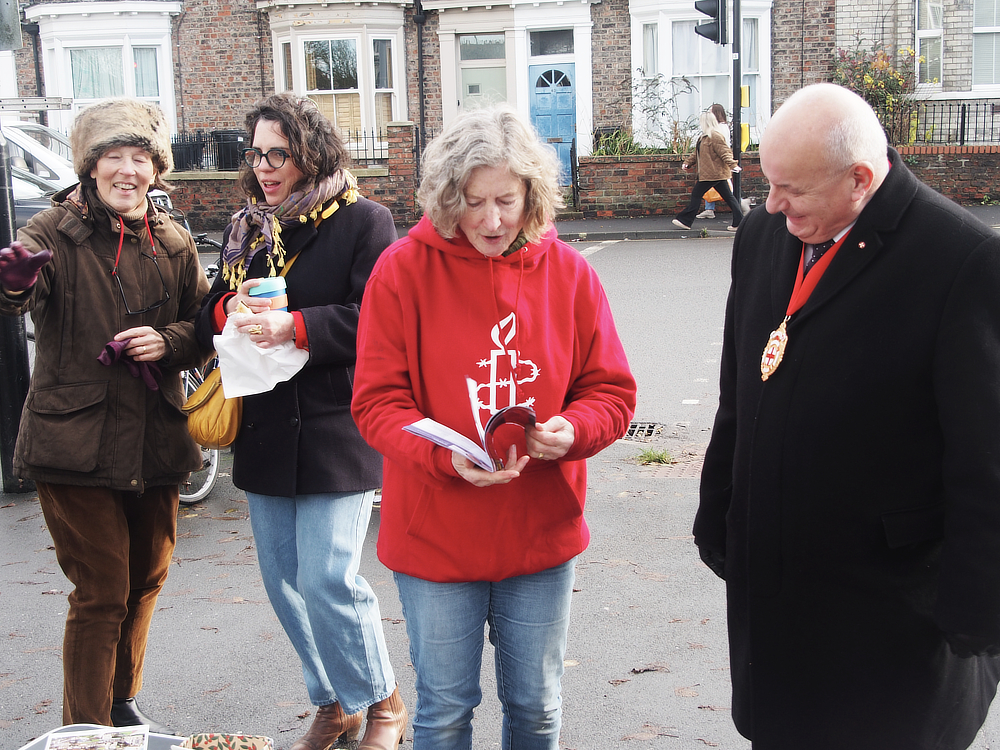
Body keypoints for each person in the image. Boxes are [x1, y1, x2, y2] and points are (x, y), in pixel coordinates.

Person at [694, 81, 1000, 749]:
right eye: (767, 182)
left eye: (792, 190)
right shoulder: (763, 236)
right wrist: (718, 512)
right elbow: (739, 390)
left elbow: (985, 459)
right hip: (776, 599)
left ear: (861, 180)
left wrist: (975, 616)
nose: (771, 204)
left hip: (888, 615)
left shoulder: (961, 261)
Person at [351, 106, 637, 750]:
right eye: (473, 202)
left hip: (539, 525)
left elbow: (611, 391)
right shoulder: (401, 271)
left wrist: (575, 429)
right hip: (437, 531)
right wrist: (441, 458)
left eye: (506, 200)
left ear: (531, 194)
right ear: (447, 198)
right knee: (445, 711)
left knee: (535, 708)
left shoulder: (569, 273)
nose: (490, 220)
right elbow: (376, 404)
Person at [193, 93, 405, 750]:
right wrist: (233, 310)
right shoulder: (247, 228)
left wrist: (296, 325)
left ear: (309, 151)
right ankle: (334, 701)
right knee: (284, 582)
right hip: (263, 426)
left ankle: (383, 702)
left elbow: (377, 317)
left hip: (335, 426)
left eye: (276, 153)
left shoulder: (364, 220)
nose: (263, 166)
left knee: (326, 576)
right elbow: (209, 313)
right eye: (255, 153)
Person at [0, 98, 212, 731]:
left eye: (140, 159)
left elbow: (200, 326)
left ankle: (121, 703)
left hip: (154, 439)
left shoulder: (171, 241)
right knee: (101, 590)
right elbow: (20, 297)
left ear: (155, 169)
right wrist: (13, 282)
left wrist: (168, 342)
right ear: (90, 168)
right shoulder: (50, 234)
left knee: (146, 577)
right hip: (74, 443)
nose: (127, 171)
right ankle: (85, 731)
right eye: (113, 158)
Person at [672, 109, 744, 232]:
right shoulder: (704, 137)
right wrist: (687, 163)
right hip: (713, 174)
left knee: (696, 195)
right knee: (729, 198)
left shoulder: (715, 136)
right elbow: (697, 153)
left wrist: (733, 165)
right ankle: (740, 223)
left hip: (712, 174)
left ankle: (685, 220)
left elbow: (725, 152)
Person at [697, 104, 731, 219]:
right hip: (716, 163)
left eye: (710, 112)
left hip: (716, 162)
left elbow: (721, 147)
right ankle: (709, 209)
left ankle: (740, 204)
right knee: (723, 189)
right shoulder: (722, 127)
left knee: (724, 190)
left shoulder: (718, 129)